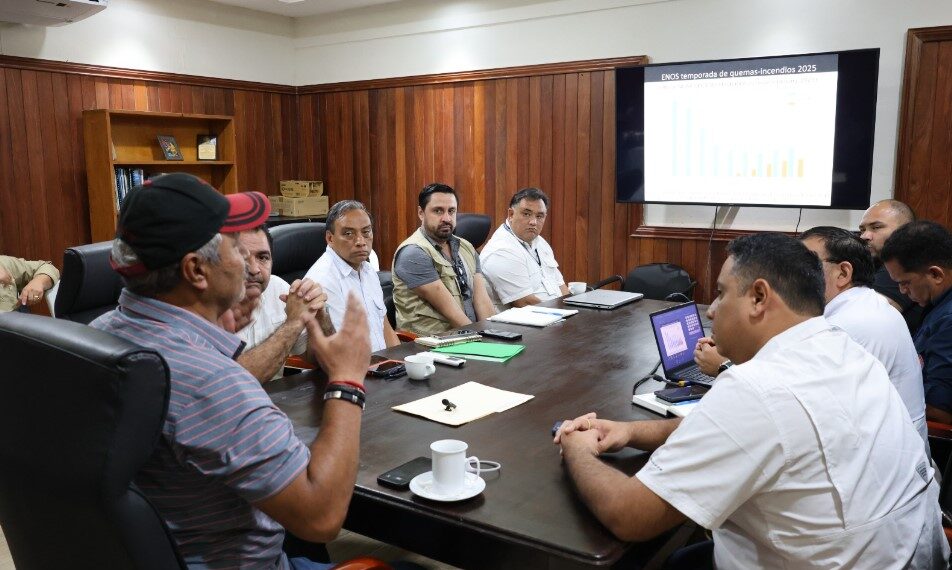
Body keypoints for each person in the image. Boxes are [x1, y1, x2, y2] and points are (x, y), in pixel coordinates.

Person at [555, 233, 947, 569]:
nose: (712, 310)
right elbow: (734, 429)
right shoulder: (846, 350)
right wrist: (630, 432)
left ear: (759, 297)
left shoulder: (758, 387)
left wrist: (578, 448)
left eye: (722, 293)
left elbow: (629, 515)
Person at [91, 173, 372, 569]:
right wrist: (347, 380)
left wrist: (212, 335)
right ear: (196, 271)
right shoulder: (212, 382)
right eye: (235, 247)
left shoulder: (95, 335)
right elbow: (321, 517)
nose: (247, 264)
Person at [800, 226, 929, 449]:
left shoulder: (843, 327)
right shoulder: (867, 303)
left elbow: (805, 408)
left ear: (843, 273)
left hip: (883, 458)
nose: (790, 274)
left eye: (804, 264)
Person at [226, 222, 329, 382]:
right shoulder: (202, 306)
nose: (254, 269)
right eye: (242, 257)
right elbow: (233, 381)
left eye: (263, 258)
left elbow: (325, 361)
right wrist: (293, 323)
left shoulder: (277, 287)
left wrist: (320, 319)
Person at [391, 183, 495, 335]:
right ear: (421, 213)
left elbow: (482, 300)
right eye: (438, 211)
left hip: (468, 336)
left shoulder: (466, 247)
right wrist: (485, 340)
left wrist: (495, 333)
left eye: (451, 211)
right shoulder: (413, 253)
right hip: (433, 343)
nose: (446, 218)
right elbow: (452, 314)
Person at [305, 200, 400, 352]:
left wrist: (400, 361)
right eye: (349, 234)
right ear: (330, 239)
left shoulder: (367, 270)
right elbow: (337, 348)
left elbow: (384, 327)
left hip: (382, 362)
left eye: (366, 232)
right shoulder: (323, 280)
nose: (360, 241)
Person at [882, 221, 952, 425]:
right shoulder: (937, 304)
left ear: (935, 274)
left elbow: (941, 409)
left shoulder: (948, 321)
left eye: (905, 283)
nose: (902, 291)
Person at [480, 187, 569, 310]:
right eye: (526, 214)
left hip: (557, 313)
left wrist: (575, 309)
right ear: (511, 214)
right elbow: (526, 303)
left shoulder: (540, 243)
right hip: (529, 318)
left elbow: (561, 286)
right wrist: (567, 314)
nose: (533, 222)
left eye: (539, 216)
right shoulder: (501, 250)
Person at [859, 199, 924, 333]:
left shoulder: (906, 260)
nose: (864, 236)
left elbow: (866, 315)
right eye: (862, 229)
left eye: (876, 227)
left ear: (906, 230)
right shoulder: (873, 262)